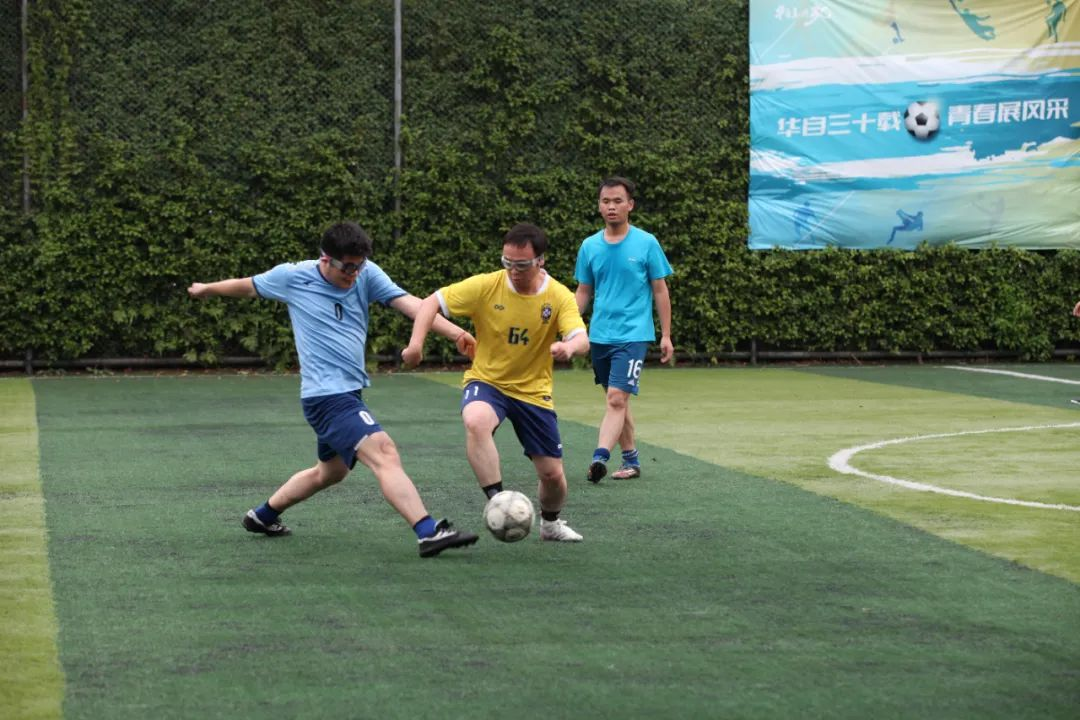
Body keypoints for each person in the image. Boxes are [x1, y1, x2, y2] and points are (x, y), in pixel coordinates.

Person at [187, 221, 479, 558]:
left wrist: (456, 333)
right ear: (326, 259)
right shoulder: (293, 277)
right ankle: (428, 532)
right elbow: (248, 286)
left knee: (330, 472)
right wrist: (207, 289)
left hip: (348, 393)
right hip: (326, 397)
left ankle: (263, 516)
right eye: (347, 267)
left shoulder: (367, 274)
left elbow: (411, 303)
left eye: (359, 266)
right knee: (384, 452)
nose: (354, 274)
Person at [401, 223, 589, 542]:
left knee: (552, 475)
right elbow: (431, 302)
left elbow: (581, 338)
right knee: (476, 420)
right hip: (488, 381)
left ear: (540, 261)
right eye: (507, 262)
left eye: (521, 265)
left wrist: (568, 348)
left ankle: (551, 524)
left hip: (533, 392)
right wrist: (416, 345)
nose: (513, 271)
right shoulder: (487, 285)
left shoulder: (557, 296)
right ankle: (498, 501)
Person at [574, 177, 673, 483]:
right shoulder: (589, 246)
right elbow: (584, 291)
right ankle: (631, 460)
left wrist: (666, 335)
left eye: (618, 201)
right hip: (600, 336)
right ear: (599, 206)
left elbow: (660, 289)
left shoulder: (647, 243)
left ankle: (600, 457)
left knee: (617, 399)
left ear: (630, 205)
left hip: (633, 335)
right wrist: (569, 326)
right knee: (617, 401)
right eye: (606, 201)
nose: (611, 206)